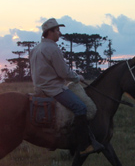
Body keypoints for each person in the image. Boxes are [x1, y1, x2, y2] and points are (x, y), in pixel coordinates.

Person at [30, 18, 104, 156]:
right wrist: (77, 77)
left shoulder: (35, 49)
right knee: (81, 108)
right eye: (57, 30)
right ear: (50, 32)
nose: (60, 33)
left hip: (39, 88)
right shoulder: (52, 48)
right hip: (54, 89)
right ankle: (82, 145)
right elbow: (63, 72)